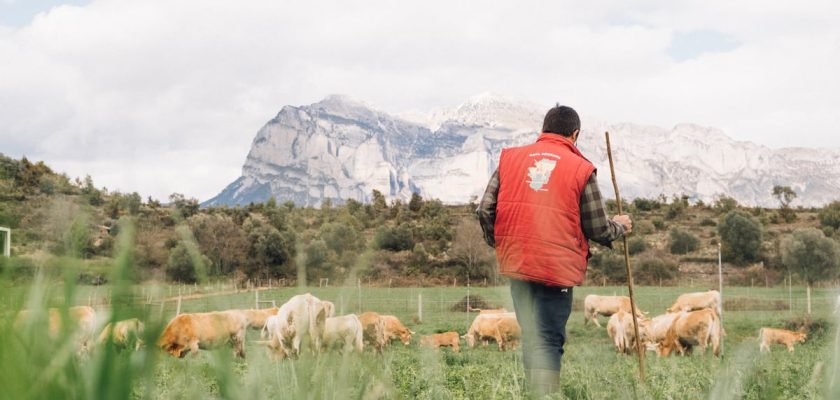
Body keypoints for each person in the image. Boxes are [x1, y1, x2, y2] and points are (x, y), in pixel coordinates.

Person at [476, 105, 632, 398]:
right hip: (556, 270)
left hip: (519, 265)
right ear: (575, 134)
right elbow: (597, 227)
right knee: (548, 338)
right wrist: (620, 226)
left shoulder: (510, 160)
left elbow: (484, 209)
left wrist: (501, 243)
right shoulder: (581, 169)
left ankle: (533, 393)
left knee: (532, 336)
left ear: (543, 130)